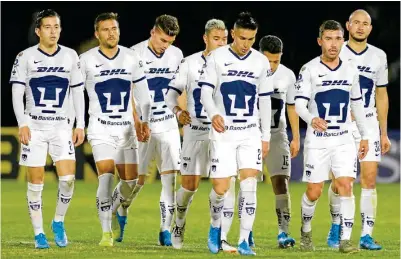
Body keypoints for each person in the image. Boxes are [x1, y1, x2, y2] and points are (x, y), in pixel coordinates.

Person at [199, 12, 273, 255]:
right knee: (221, 188)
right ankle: (214, 227)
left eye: (251, 39)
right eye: (242, 38)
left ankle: (243, 240)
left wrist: (265, 137)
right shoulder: (217, 57)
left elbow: (264, 102)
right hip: (224, 133)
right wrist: (214, 114)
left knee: (249, 184)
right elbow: (205, 94)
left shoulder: (260, 61)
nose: (246, 44)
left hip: (249, 133)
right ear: (232, 34)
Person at [10, 9, 85, 249]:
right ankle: (39, 233)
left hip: (61, 127)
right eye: (48, 27)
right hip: (34, 127)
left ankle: (58, 221)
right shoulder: (25, 56)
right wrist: (22, 122)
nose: (53, 31)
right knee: (36, 181)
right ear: (38, 31)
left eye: (56, 27)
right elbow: (17, 92)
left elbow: (77, 93)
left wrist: (80, 124)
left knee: (68, 179)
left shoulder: (71, 56)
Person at [295, 20, 370, 253]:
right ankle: (305, 231)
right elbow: (299, 105)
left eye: (338, 38)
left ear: (343, 40)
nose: (334, 44)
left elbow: (358, 106)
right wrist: (311, 119)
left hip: (344, 138)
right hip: (318, 140)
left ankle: (345, 240)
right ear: (320, 41)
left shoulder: (350, 70)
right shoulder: (309, 69)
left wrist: (365, 136)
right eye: (328, 38)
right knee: (314, 191)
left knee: (346, 184)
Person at [79, 12, 151, 247]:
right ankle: (106, 232)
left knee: (131, 181)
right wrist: (78, 123)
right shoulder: (86, 60)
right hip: (100, 128)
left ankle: (110, 208)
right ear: (97, 33)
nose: (112, 33)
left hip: (127, 128)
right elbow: (74, 91)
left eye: (114, 29)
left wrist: (144, 120)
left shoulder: (131, 57)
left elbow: (142, 93)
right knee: (106, 176)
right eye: (106, 29)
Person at [165, 18, 232, 251]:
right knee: (189, 186)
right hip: (195, 130)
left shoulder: (234, 64)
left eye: (225, 39)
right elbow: (170, 94)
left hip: (222, 133)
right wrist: (178, 111)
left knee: (222, 185)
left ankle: (216, 232)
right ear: (206, 38)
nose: (222, 43)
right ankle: (179, 223)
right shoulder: (190, 63)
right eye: (216, 39)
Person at [326, 9, 390, 250]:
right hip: (341, 125)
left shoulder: (378, 56)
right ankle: (336, 225)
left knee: (370, 179)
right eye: (356, 23)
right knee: (340, 182)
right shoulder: (336, 50)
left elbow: (382, 95)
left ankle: (365, 235)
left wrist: (383, 132)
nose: (361, 27)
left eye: (365, 24)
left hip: (370, 123)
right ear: (348, 26)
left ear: (370, 29)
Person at [128, 14, 183, 246]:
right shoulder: (133, 54)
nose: (165, 46)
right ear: (153, 32)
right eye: (162, 40)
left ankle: (165, 229)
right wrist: (138, 122)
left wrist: (181, 114)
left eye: (169, 42)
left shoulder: (177, 55)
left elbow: (180, 88)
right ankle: (120, 209)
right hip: (142, 125)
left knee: (170, 180)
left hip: (168, 123)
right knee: (135, 181)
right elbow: (128, 94)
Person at [259, 35, 299, 248]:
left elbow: (292, 106)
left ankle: (284, 232)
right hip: (251, 135)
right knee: (247, 184)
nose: (273, 65)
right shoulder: (250, 70)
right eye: (269, 61)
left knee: (281, 182)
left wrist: (296, 137)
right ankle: (245, 234)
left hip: (277, 135)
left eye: (277, 60)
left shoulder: (288, 76)